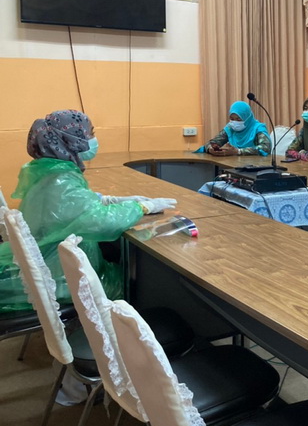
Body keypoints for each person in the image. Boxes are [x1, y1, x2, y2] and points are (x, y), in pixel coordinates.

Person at [0, 110, 176, 313]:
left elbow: (78, 205)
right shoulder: (61, 181)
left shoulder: (51, 172)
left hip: (49, 265)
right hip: (59, 279)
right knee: (136, 282)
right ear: (71, 140)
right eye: (90, 133)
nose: (93, 139)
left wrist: (112, 200)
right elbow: (101, 222)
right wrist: (141, 207)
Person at [205, 100, 271, 156]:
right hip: (233, 164)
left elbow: (266, 148)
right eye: (232, 119)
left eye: (238, 119)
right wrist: (211, 148)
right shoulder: (230, 128)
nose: (235, 122)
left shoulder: (258, 128)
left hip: (256, 165)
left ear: (247, 119)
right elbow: (213, 142)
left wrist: (239, 151)